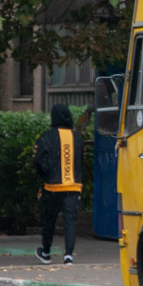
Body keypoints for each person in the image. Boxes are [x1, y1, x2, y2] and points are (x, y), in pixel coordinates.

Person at [34, 104, 84, 265]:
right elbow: (81, 160)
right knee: (71, 220)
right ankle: (68, 255)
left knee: (49, 220)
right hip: (73, 186)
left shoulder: (46, 136)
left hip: (52, 186)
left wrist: (45, 175)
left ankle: (46, 252)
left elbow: (38, 160)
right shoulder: (77, 137)